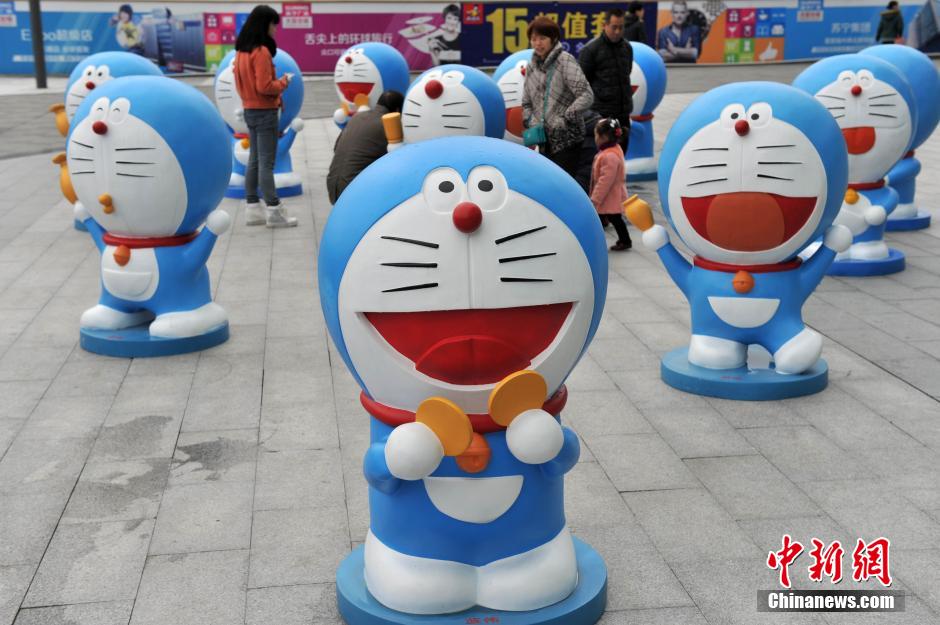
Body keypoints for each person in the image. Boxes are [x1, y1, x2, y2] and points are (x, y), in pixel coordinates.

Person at [233, 5, 298, 227]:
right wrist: (284, 82)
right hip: (265, 112)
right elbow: (265, 86)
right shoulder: (260, 52)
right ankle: (274, 210)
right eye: (273, 24)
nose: (275, 29)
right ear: (264, 25)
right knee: (266, 164)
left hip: (249, 111)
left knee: (254, 160)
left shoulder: (241, 52)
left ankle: (253, 209)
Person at [522, 16, 594, 177]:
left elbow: (586, 94)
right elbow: (526, 102)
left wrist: (566, 117)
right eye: (533, 39)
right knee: (547, 183)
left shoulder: (565, 61)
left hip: (567, 140)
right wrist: (531, 121)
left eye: (542, 38)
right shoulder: (531, 66)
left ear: (553, 39)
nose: (537, 43)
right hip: (542, 140)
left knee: (564, 184)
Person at [327, 90, 404, 204]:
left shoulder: (356, 117)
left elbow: (336, 148)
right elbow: (399, 159)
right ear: (397, 111)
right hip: (353, 191)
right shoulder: (388, 125)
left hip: (332, 186)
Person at [579, 7, 634, 152]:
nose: (617, 31)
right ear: (605, 25)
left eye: (621, 27)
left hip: (623, 115)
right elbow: (582, 85)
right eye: (614, 27)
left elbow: (627, 73)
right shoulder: (590, 50)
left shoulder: (627, 48)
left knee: (621, 154)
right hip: (601, 116)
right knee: (603, 156)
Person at [590, 118, 632, 251]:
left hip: (610, 195)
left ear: (603, 137)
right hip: (611, 194)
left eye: (596, 135)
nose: (595, 138)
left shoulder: (609, 156)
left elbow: (605, 180)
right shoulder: (613, 149)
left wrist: (595, 198)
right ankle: (624, 240)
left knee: (614, 218)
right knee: (613, 218)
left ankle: (625, 240)